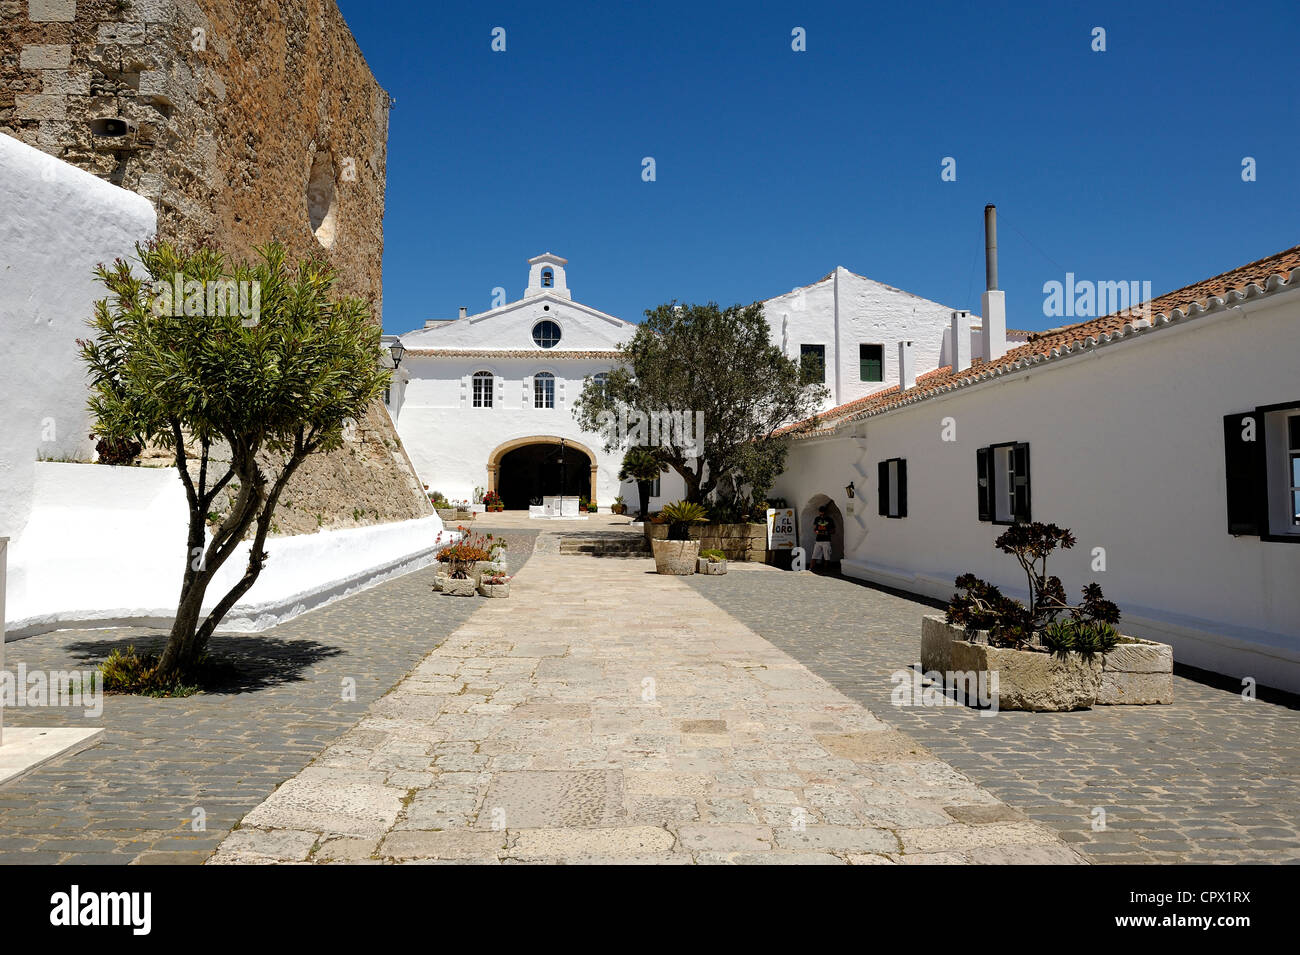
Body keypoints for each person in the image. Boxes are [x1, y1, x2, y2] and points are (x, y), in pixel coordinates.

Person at [812, 505, 835, 571]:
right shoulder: (817, 518)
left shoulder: (830, 519)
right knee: (814, 555)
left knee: (826, 556)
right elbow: (815, 528)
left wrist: (827, 532)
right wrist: (817, 531)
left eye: (823, 512)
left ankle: (826, 569)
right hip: (818, 540)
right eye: (821, 512)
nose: (822, 514)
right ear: (819, 512)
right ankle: (811, 568)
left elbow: (833, 531)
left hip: (826, 540)